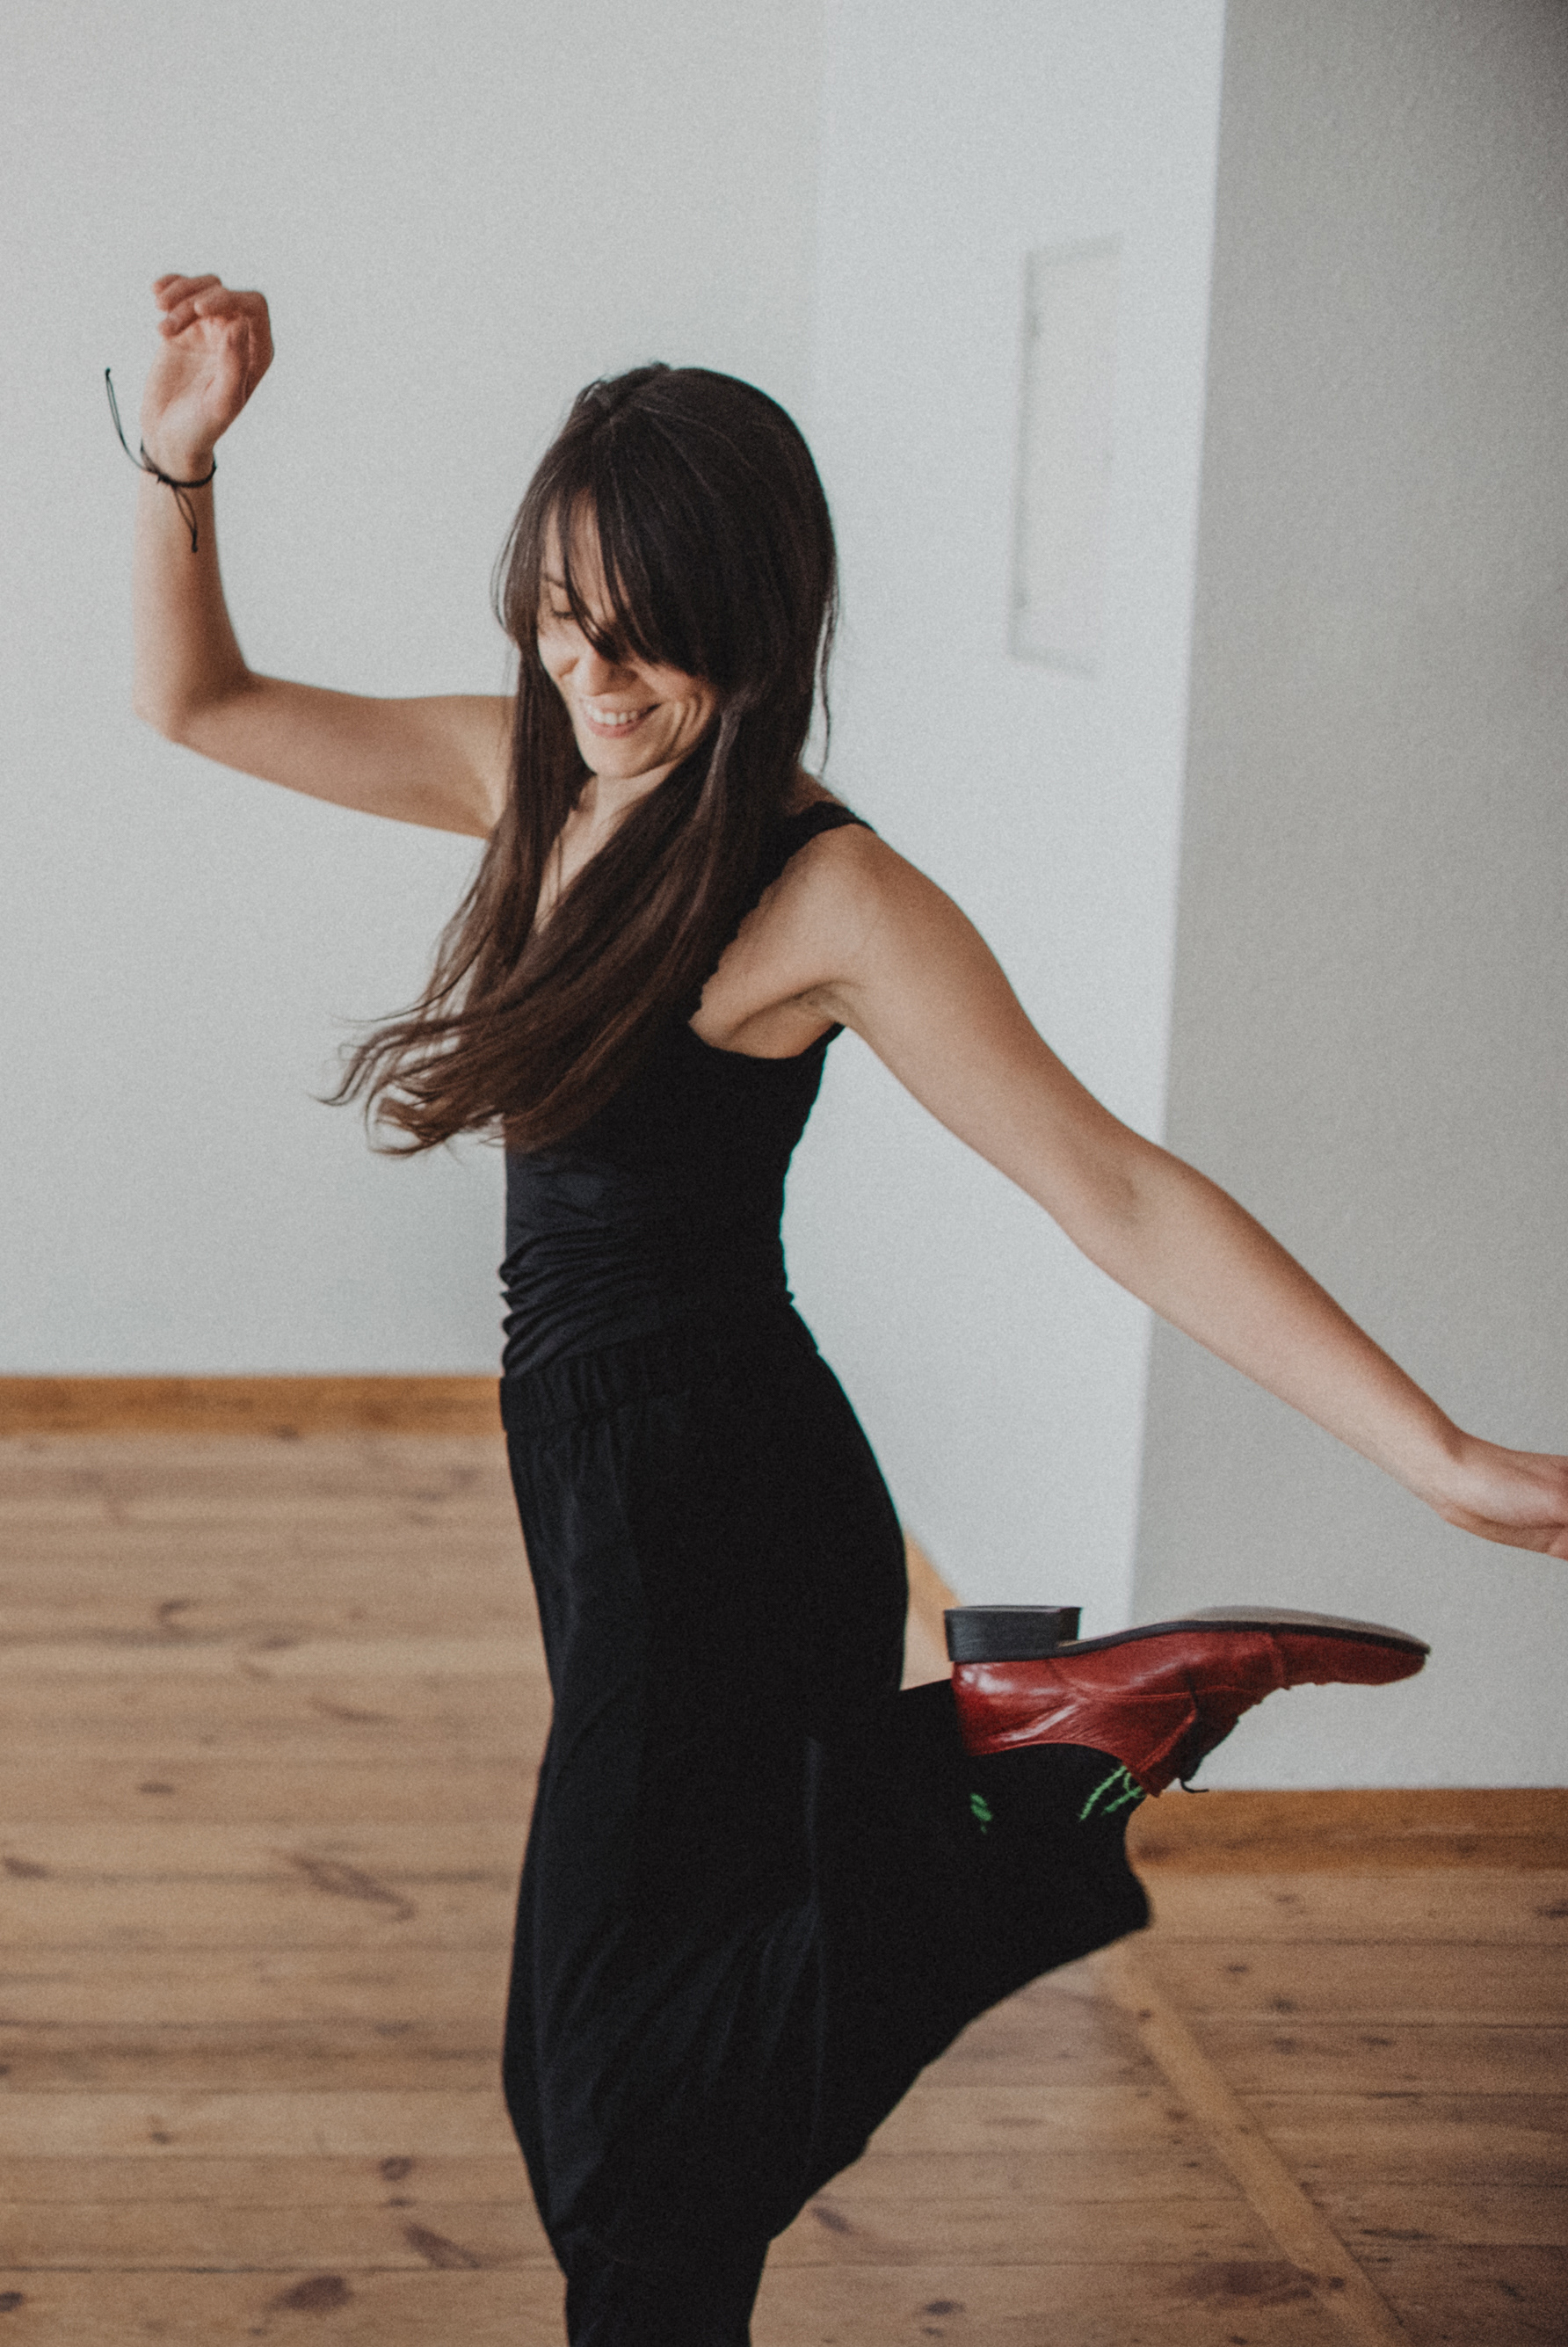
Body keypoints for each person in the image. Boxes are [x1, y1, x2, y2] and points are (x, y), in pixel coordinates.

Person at [126, 272, 1568, 2346]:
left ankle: (1028, 1788)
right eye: (557, 618)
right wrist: (180, 457)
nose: (590, 672)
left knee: (619, 2121)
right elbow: (198, 704)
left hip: (718, 1505)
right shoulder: (533, 775)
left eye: (643, 632)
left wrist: (1433, 1456)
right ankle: (1019, 1766)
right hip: (605, 1492)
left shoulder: (825, 894)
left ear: (758, 620)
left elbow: (1111, 1186)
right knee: (639, 2071)